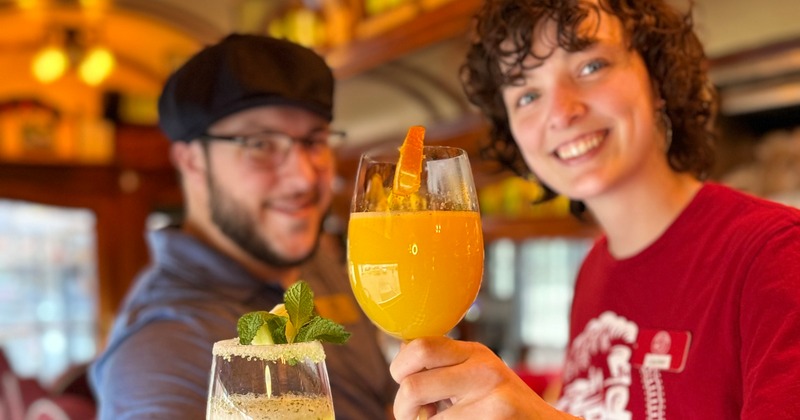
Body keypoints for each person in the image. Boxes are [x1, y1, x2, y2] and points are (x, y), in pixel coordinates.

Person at [389, 0, 800, 419]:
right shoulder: (594, 271)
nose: (562, 112)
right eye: (528, 94)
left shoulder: (776, 253)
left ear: (657, 79)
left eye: (591, 67)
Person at [89, 34, 397, 419]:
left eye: (314, 140)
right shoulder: (160, 349)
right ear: (191, 162)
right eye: (260, 144)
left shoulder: (314, 258)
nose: (303, 178)